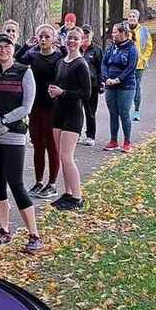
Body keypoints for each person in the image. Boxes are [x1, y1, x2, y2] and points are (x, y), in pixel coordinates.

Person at [0, 33, 42, 254]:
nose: (3, 50)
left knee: (16, 182)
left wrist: (3, 120)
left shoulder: (24, 72)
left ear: (14, 48)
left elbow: (26, 107)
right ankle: (3, 230)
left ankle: (34, 234)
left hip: (13, 134)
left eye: (7, 46)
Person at [49, 27, 91, 211]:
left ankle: (77, 196)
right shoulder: (61, 62)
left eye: (76, 39)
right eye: (69, 38)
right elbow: (58, 83)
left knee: (67, 156)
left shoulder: (81, 64)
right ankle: (67, 193)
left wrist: (63, 92)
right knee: (60, 156)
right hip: (58, 112)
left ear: (82, 41)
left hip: (73, 115)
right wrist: (53, 92)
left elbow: (86, 93)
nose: (72, 41)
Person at [20, 24, 62, 200]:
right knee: (38, 145)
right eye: (41, 37)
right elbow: (16, 62)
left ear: (53, 39)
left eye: (47, 36)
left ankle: (52, 183)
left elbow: (72, 62)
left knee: (52, 146)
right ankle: (38, 181)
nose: (44, 40)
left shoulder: (59, 56)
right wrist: (26, 46)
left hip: (53, 107)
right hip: (35, 107)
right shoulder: (33, 56)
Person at [102, 22, 139, 152]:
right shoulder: (111, 47)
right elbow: (104, 63)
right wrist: (106, 78)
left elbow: (131, 67)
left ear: (123, 33)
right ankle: (113, 140)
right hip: (110, 86)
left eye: (115, 31)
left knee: (124, 113)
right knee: (113, 113)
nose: (113, 34)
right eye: (112, 31)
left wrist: (118, 79)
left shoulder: (131, 49)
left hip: (126, 86)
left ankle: (127, 141)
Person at [78, 25, 104, 147]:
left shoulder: (97, 50)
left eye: (87, 34)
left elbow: (100, 69)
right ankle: (76, 133)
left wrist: (100, 83)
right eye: (83, 34)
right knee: (76, 110)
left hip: (92, 85)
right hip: (76, 85)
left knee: (90, 111)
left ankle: (90, 135)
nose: (85, 37)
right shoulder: (75, 48)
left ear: (91, 35)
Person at [127, 9, 153, 121]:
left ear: (137, 19)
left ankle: (136, 110)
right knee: (126, 88)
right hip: (125, 65)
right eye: (130, 16)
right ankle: (126, 109)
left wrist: (144, 58)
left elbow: (148, 46)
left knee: (136, 87)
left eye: (134, 16)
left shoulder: (143, 31)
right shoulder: (123, 30)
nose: (132, 18)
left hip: (138, 65)